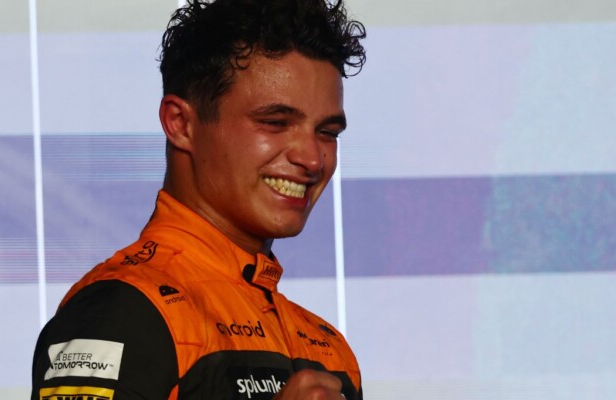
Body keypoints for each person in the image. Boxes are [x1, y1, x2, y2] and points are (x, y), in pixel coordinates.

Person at [30, 0, 366, 399]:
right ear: (180, 123)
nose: (312, 159)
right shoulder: (123, 310)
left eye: (327, 133)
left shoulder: (329, 349)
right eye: (275, 123)